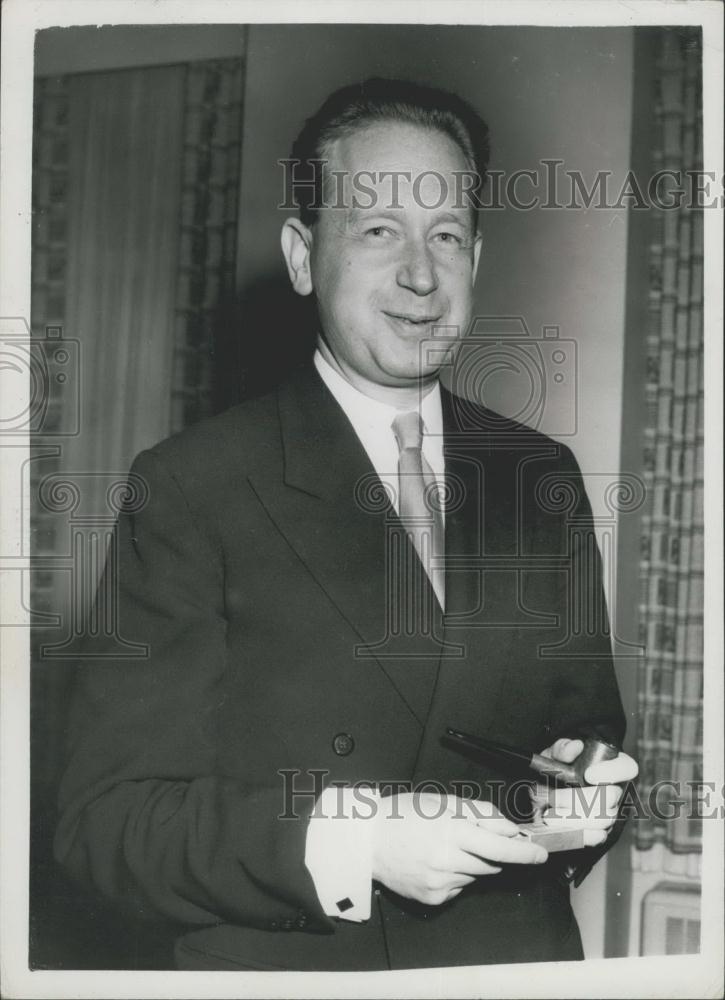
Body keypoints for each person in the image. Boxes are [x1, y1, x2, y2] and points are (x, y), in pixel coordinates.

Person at [55, 78, 637, 971]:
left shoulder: (541, 477)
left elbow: (590, 739)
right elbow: (108, 823)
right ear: (302, 255)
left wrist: (581, 796)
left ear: (476, 259)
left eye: (447, 235)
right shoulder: (191, 485)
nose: (420, 274)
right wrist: (354, 842)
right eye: (377, 231)